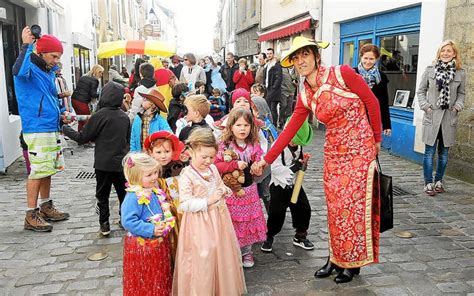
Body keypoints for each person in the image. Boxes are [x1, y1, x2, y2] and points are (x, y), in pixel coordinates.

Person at [255, 36, 382, 284]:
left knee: (352, 210)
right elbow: (291, 128)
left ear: (315, 55)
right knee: (335, 209)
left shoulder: (342, 73)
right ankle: (335, 258)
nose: (301, 61)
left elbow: (372, 101)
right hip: (334, 153)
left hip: (359, 151)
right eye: (296, 58)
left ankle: (352, 263)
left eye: (305, 55)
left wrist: (376, 139)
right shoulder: (305, 94)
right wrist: (267, 159)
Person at [173, 128, 246, 295]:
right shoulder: (187, 175)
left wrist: (225, 190)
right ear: (191, 152)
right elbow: (184, 204)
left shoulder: (213, 169)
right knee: (204, 257)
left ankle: (221, 289)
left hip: (219, 219)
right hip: (199, 224)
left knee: (221, 255)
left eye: (211, 157)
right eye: (204, 157)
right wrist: (208, 201)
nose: (208, 161)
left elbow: (220, 185)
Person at [13, 26, 71, 232]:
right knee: (37, 171)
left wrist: (61, 115)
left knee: (47, 169)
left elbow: (49, 98)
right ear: (41, 52)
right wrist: (26, 45)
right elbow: (17, 71)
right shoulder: (29, 68)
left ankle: (45, 205)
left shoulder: (46, 72)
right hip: (36, 128)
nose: (56, 60)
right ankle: (31, 214)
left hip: (48, 126)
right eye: (54, 56)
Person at [63, 82, 130, 235]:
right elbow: (127, 139)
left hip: (102, 163)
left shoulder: (99, 116)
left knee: (103, 195)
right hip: (120, 163)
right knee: (123, 194)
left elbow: (82, 137)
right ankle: (125, 219)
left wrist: (65, 128)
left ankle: (104, 224)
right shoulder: (124, 117)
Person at [214, 108, 267, 268]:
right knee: (232, 222)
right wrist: (233, 164)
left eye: (246, 125)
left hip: (249, 190)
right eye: (238, 125)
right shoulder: (224, 145)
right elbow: (217, 165)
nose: (242, 129)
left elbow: (259, 161)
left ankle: (246, 251)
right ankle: (232, 250)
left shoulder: (254, 145)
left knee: (246, 222)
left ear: (252, 127)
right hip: (230, 191)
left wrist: (258, 167)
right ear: (231, 127)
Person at [121, 153, 176, 296]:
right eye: (149, 175)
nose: (154, 177)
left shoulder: (154, 191)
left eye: (155, 172)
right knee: (145, 277)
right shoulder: (133, 197)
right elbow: (128, 221)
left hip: (158, 243)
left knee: (159, 275)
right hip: (142, 246)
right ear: (136, 177)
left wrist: (166, 221)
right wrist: (150, 229)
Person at [417, 40, 466, 196]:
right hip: (432, 117)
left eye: (449, 51)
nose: (445, 53)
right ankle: (428, 183)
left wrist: (458, 106)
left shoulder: (460, 72)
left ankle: (439, 181)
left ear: (454, 54)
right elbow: (421, 91)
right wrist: (426, 107)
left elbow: (461, 93)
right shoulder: (430, 70)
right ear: (439, 53)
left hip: (448, 118)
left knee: (444, 154)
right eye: (443, 50)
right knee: (429, 153)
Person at [261, 117, 314, 252]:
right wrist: (294, 168)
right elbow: (275, 168)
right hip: (279, 185)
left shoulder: (299, 146)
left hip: (295, 184)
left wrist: (302, 166)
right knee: (276, 213)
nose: (293, 143)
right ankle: (269, 236)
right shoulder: (277, 146)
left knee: (304, 208)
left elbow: (299, 164)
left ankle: (300, 236)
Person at [354, 44, 392, 136]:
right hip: (353, 119)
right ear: (361, 57)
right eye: (365, 58)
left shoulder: (381, 77)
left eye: (371, 59)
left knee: (370, 148)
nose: (368, 62)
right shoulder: (352, 73)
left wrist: (387, 125)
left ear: (376, 59)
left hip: (372, 120)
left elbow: (383, 102)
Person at [71, 64, 103, 131]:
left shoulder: (83, 77)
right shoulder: (95, 80)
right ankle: (86, 137)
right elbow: (93, 94)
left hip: (74, 100)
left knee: (81, 119)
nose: (101, 75)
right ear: (98, 72)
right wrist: (101, 94)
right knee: (87, 120)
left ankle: (80, 136)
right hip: (81, 102)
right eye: (101, 73)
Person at [262, 48, 283, 126]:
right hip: (267, 89)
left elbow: (279, 78)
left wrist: (273, 88)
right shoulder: (267, 65)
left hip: (274, 90)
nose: (269, 55)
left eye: (270, 53)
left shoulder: (277, 64)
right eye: (267, 54)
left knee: (273, 108)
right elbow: (265, 78)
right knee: (268, 108)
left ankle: (273, 125)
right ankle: (269, 124)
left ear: (273, 54)